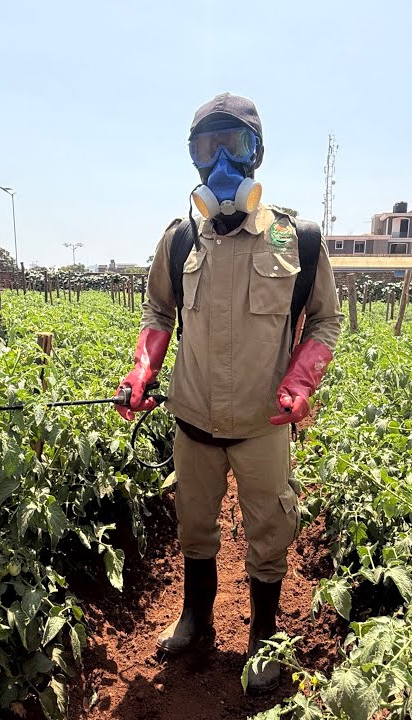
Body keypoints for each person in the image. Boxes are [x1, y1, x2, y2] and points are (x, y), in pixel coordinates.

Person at [116, 92, 342, 692]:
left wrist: (300, 381)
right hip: (193, 417)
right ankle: (196, 617)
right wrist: (143, 370)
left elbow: (324, 322)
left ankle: (265, 636)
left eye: (234, 146)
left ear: (257, 155)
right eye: (206, 148)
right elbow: (159, 314)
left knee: (269, 529)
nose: (220, 165)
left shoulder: (300, 240)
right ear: (192, 159)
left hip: (262, 423)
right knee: (195, 523)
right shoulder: (178, 241)